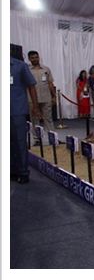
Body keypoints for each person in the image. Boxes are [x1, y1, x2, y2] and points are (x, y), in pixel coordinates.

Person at [11, 54, 41, 184]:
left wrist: (35, 106)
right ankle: (12, 170)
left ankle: (23, 172)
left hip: (16, 110)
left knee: (19, 142)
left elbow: (31, 86)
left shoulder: (20, 66)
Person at [27, 51, 56, 135]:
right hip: (32, 99)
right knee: (34, 119)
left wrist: (54, 96)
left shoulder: (46, 69)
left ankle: (52, 138)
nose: (35, 59)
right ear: (29, 59)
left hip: (46, 97)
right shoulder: (27, 70)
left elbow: (50, 83)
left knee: (48, 118)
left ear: (39, 57)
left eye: (36, 57)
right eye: (32, 58)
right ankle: (37, 139)